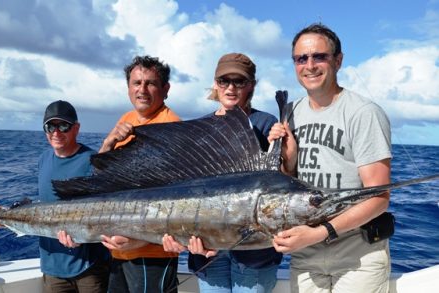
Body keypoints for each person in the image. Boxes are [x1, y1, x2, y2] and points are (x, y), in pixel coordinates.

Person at [268, 23, 392, 293]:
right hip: (305, 253)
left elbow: (379, 197)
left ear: (338, 60)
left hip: (357, 255)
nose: (310, 65)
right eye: (301, 58)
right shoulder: (290, 112)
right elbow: (288, 182)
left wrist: (321, 232)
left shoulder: (364, 113)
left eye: (319, 56)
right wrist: (288, 161)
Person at [163, 53, 283, 292]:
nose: (230, 87)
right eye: (223, 81)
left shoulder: (265, 123)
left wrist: (281, 145)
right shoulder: (199, 128)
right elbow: (184, 190)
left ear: (251, 86)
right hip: (207, 249)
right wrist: (182, 239)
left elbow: (280, 186)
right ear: (215, 84)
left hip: (254, 251)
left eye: (239, 81)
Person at [0, 100, 110, 293]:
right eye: (50, 126)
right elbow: (46, 206)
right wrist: (7, 215)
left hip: (90, 267)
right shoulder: (43, 159)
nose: (56, 132)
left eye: (63, 126)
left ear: (76, 128)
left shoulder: (94, 161)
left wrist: (81, 234)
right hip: (52, 266)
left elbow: (108, 212)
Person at [98, 55, 181, 293]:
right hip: (119, 249)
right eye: (136, 83)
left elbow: (174, 205)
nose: (142, 90)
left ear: (165, 89)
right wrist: (109, 141)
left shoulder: (171, 127)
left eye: (150, 83)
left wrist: (138, 239)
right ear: (128, 88)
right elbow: (100, 176)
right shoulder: (126, 119)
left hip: (152, 252)